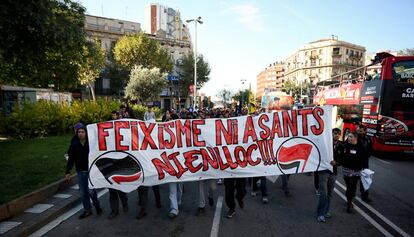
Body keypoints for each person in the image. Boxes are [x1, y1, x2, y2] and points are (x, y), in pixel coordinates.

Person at [65, 125, 102, 219]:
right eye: (79, 132)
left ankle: (97, 206)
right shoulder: (74, 145)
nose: (80, 134)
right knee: (83, 193)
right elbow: (71, 159)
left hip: (90, 171)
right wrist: (67, 171)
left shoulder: (91, 144)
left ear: (86, 133)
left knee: (91, 192)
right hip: (80, 171)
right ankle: (87, 210)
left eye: (82, 132)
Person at [316, 128, 343, 222]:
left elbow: (343, 159)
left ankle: (326, 211)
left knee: (330, 194)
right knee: (323, 193)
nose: (336, 135)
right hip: (323, 171)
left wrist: (337, 163)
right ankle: (320, 214)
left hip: (333, 172)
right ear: (330, 134)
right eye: (335, 133)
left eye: (338, 134)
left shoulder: (341, 145)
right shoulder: (325, 143)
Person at [107, 111, 129, 219]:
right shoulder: (106, 137)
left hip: (119, 164)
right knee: (111, 189)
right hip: (110, 164)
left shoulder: (122, 135)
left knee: (120, 187)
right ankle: (114, 210)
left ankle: (124, 203)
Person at [342, 132, 365, 213]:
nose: (349, 138)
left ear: (355, 138)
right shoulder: (345, 145)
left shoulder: (361, 147)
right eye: (348, 137)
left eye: (351, 137)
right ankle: (349, 203)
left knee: (354, 186)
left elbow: (364, 158)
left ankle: (350, 199)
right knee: (349, 186)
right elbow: (340, 156)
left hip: (357, 170)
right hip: (347, 169)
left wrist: (364, 168)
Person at [357, 124, 373, 203]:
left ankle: (365, 196)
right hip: (355, 164)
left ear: (365, 131)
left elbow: (370, 150)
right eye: (358, 130)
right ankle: (349, 198)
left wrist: (365, 158)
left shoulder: (368, 139)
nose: (359, 132)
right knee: (352, 182)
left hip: (365, 164)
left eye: (361, 131)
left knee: (365, 180)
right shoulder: (353, 137)